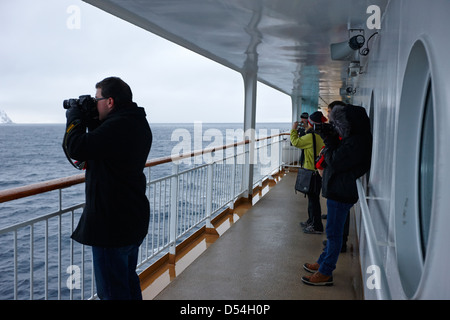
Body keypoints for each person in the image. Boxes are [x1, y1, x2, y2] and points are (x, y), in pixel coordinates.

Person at [64, 77, 152, 299]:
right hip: (131, 219)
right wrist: (93, 120)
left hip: (111, 226)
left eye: (97, 99)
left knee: (113, 292)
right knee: (128, 281)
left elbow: (77, 147)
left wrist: (74, 116)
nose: (95, 104)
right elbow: (104, 145)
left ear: (110, 101)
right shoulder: (135, 122)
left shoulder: (118, 127)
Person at [301, 102, 372, 286]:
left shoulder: (357, 142)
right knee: (332, 232)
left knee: (334, 235)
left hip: (341, 193)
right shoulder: (355, 139)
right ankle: (323, 262)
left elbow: (334, 161)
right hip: (339, 190)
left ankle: (326, 272)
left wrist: (330, 140)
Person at [291, 111, 327, 234]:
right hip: (318, 171)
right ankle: (311, 221)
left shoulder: (310, 137)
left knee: (313, 200)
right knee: (313, 198)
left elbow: (295, 142)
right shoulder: (321, 135)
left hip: (311, 172)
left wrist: (293, 129)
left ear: (311, 124)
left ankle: (316, 226)